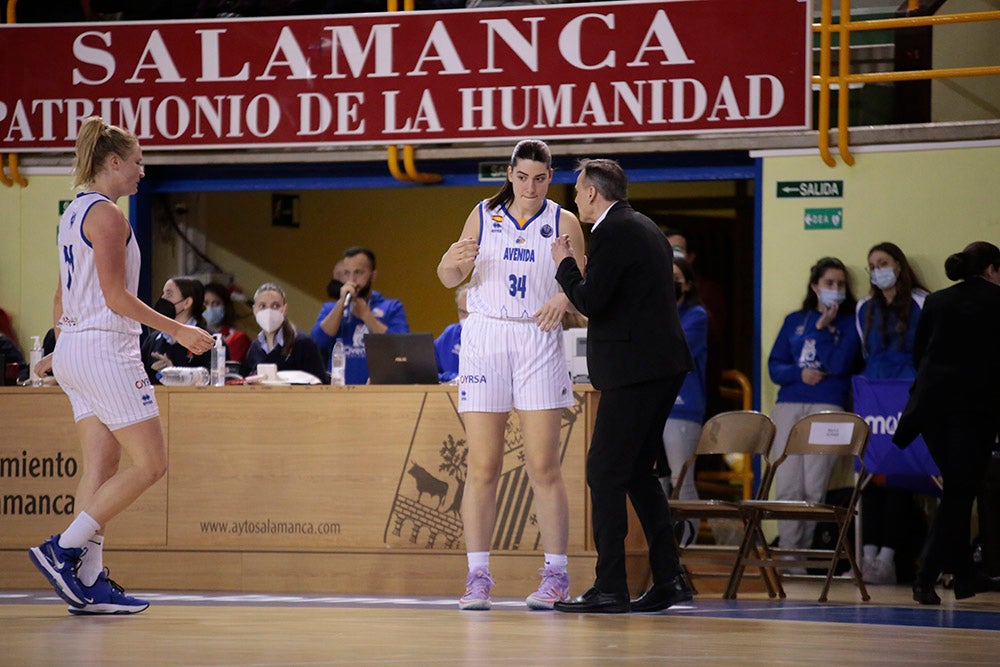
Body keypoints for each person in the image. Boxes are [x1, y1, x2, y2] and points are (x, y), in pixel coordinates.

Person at [28, 116, 214, 615]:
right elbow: (115, 298)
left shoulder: (73, 213)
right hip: (106, 349)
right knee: (152, 464)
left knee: (102, 467)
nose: (142, 172)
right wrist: (177, 329)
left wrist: (60, 349)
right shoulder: (108, 216)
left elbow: (62, 292)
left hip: (77, 349)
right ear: (114, 162)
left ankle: (88, 584)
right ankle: (63, 550)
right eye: (137, 162)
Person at [436, 138, 585, 611]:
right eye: (523, 177)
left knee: (544, 465)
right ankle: (477, 575)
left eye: (541, 178)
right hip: (485, 337)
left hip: (536, 338)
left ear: (551, 176)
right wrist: (451, 265)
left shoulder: (565, 221)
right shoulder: (481, 214)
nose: (531, 187)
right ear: (510, 173)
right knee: (483, 466)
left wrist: (565, 297)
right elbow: (447, 274)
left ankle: (556, 575)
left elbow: (584, 284)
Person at [551, 158, 694, 614]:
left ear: (593, 192)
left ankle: (610, 586)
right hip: (659, 366)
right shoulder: (645, 225)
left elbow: (593, 301)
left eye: (577, 190)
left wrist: (566, 266)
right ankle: (670, 578)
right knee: (635, 472)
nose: (574, 197)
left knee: (603, 471)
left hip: (636, 370)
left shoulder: (613, 231)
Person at [894, 241, 1000, 605]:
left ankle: (966, 577)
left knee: (960, 489)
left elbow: (919, 354)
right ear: (991, 269)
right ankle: (926, 577)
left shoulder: (936, 301)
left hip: (930, 411)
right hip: (973, 413)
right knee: (959, 493)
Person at [767, 257, 861, 561]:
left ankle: (803, 555)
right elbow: (775, 367)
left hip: (827, 404)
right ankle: (789, 557)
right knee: (787, 482)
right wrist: (799, 373)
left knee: (814, 484)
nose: (835, 289)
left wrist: (822, 330)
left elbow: (839, 365)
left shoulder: (850, 323)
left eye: (840, 284)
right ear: (815, 287)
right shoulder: (795, 319)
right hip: (789, 404)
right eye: (829, 283)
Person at [854, 242, 929, 585]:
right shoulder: (863, 309)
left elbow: (927, 353)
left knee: (898, 476)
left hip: (908, 399)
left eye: (882, 262)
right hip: (873, 402)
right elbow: (866, 352)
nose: (876, 270)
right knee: (871, 478)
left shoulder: (922, 302)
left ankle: (888, 557)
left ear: (899, 265)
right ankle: (867, 556)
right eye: (871, 265)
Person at [660, 257, 709, 546]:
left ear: (688, 284)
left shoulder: (696, 315)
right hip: (654, 405)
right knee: (657, 480)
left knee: (682, 478)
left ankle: (687, 544)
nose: (671, 282)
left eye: (677, 277)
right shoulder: (652, 311)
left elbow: (674, 347)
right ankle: (661, 546)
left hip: (683, 407)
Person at [311, 246, 409, 384]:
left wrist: (366, 316)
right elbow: (316, 342)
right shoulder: (330, 309)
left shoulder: (392, 307)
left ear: (373, 275)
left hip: (379, 391)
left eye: (358, 272)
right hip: (339, 390)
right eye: (346, 273)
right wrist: (340, 305)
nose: (352, 279)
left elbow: (402, 348)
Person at [244, 282, 329, 383]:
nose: (269, 311)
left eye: (275, 306)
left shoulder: (303, 344)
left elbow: (321, 385)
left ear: (284, 309)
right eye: (262, 306)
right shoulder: (255, 348)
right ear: (254, 310)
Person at [141, 277, 214, 384]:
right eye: (163, 293)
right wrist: (156, 374)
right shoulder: (153, 339)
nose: (163, 298)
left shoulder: (208, 339)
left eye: (169, 294)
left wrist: (175, 374)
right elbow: (140, 378)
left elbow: (216, 379)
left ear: (187, 302)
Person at [203, 282, 251, 366]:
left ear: (225, 307)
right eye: (205, 303)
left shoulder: (238, 338)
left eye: (216, 303)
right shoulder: (190, 336)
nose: (209, 308)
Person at [433, 283, 469, 383]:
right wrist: (452, 378)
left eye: (471, 312)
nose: (466, 317)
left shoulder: (493, 337)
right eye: (462, 312)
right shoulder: (450, 334)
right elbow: (430, 372)